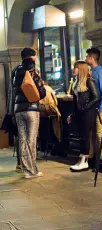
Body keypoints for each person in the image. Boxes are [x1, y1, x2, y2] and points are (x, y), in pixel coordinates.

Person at [11, 48, 46, 179]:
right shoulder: (33, 70)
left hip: (18, 110)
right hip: (31, 109)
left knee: (23, 140)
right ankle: (33, 170)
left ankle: (26, 170)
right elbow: (41, 92)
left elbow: (13, 92)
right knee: (31, 140)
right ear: (31, 57)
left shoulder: (15, 71)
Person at [68, 61, 99, 171]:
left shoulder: (89, 81)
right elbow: (75, 100)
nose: (73, 69)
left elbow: (96, 97)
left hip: (88, 113)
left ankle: (84, 161)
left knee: (85, 137)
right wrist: (72, 113)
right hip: (80, 113)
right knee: (81, 137)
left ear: (80, 69)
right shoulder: (77, 82)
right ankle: (81, 160)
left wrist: (85, 107)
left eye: (75, 68)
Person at [85, 48, 102, 167]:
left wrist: (101, 107)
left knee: (101, 134)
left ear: (92, 58)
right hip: (93, 107)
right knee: (92, 133)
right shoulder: (91, 72)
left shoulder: (100, 72)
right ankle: (92, 158)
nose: (85, 59)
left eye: (87, 56)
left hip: (101, 107)